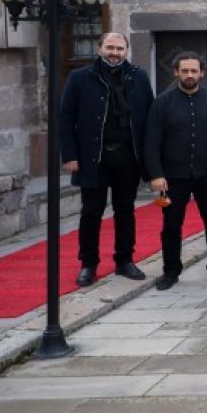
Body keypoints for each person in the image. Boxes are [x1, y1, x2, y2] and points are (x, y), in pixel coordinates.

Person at [59, 32, 155, 287]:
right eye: (110, 47)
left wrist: (150, 157)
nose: (114, 52)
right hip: (93, 157)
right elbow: (65, 117)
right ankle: (88, 264)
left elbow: (150, 116)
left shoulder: (138, 77)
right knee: (91, 211)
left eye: (119, 48)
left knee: (125, 210)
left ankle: (124, 260)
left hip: (128, 156)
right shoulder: (80, 78)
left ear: (126, 51)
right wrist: (69, 155)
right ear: (100, 48)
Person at [144, 51, 207, 291]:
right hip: (173, 176)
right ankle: (171, 271)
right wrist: (156, 174)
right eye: (185, 71)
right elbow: (151, 141)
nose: (189, 75)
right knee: (172, 225)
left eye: (194, 71)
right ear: (176, 72)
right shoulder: (162, 103)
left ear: (202, 73)